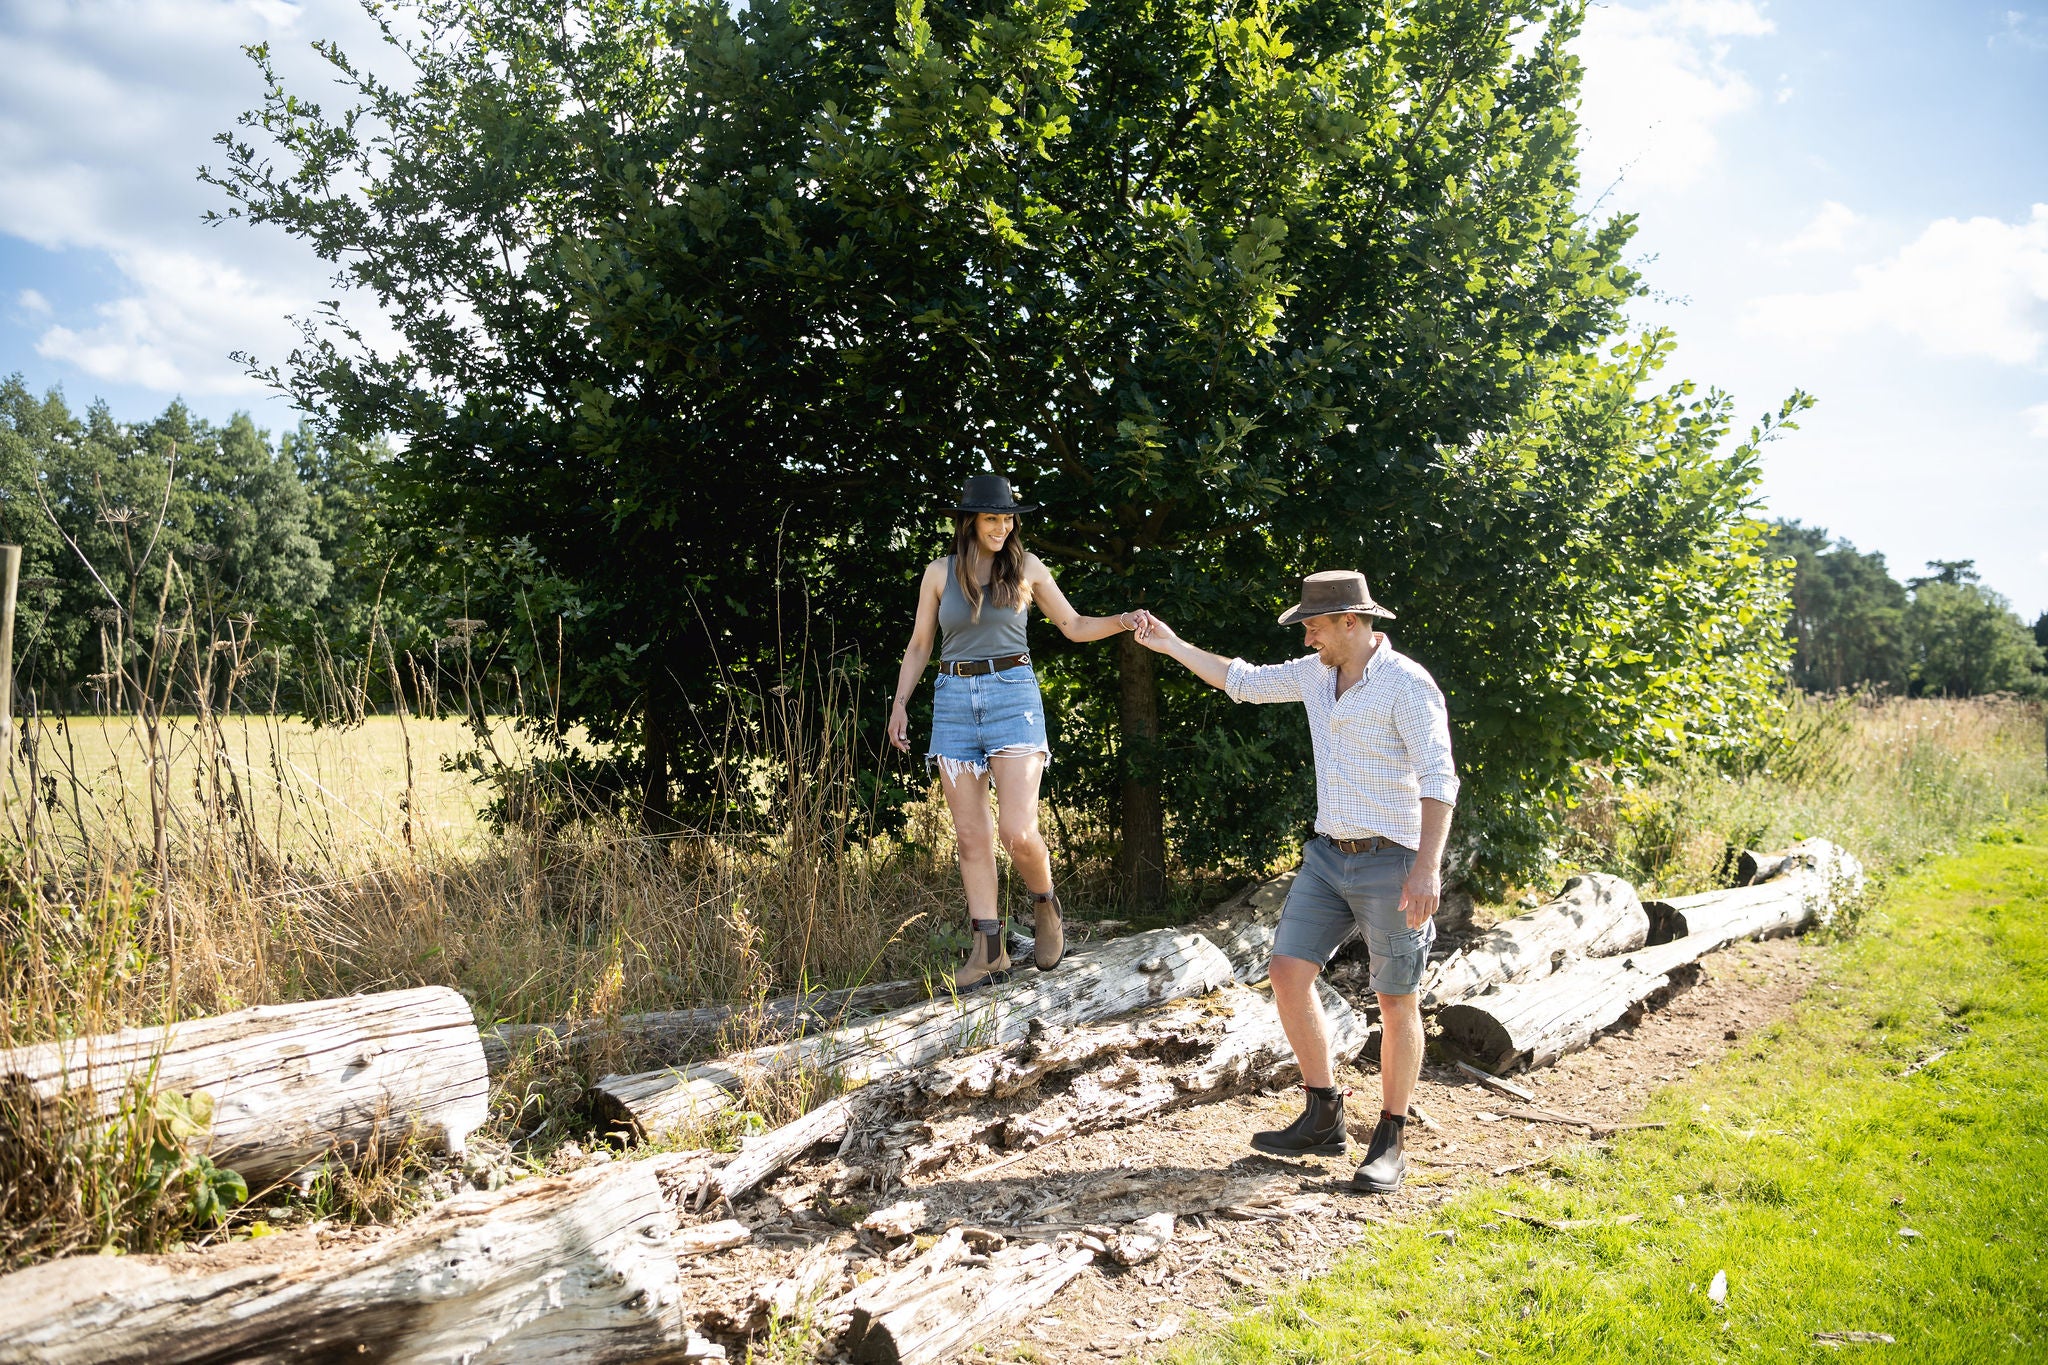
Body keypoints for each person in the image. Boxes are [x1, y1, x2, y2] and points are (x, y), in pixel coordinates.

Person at [1131, 570, 1457, 1193]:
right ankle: (1323, 1115)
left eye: (1314, 626)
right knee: (1286, 972)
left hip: (1394, 861)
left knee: (1396, 998)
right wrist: (1170, 644)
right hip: (1327, 858)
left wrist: (1427, 867)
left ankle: (1390, 1138)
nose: (1307, 638)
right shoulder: (1315, 675)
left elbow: (1441, 780)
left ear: (1351, 622)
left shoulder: (1408, 685)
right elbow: (1243, 682)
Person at [888, 474, 1141, 992]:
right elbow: (919, 646)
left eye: (1008, 519)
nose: (1002, 527)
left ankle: (1046, 905)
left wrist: (1123, 619)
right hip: (954, 700)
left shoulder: (1026, 567)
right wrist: (900, 704)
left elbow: (1074, 625)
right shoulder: (938, 573)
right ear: (969, 522)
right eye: (992, 518)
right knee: (970, 837)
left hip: (1013, 697)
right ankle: (989, 953)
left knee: (1017, 833)